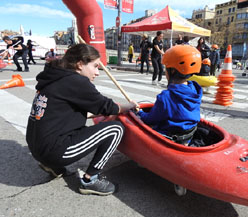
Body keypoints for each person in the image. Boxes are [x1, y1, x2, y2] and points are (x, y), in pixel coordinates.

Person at [26, 44, 138, 196]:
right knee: (115, 129)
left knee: (95, 128)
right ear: (80, 64)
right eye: (95, 66)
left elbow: (67, 114)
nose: (97, 73)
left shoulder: (55, 77)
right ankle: (90, 179)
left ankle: (53, 166)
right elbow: (108, 107)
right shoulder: (76, 81)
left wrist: (100, 114)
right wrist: (130, 105)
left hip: (37, 148)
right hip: (53, 151)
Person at [138, 45, 203, 145]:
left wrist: (139, 112)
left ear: (172, 71)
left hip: (168, 139)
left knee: (136, 120)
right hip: (187, 137)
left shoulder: (165, 97)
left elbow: (150, 119)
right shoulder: (195, 90)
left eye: (166, 68)